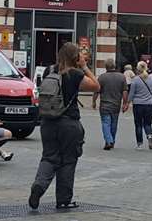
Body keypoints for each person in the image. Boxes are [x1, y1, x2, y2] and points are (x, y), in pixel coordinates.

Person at [29, 42, 99, 211]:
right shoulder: (75, 74)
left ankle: (39, 186)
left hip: (48, 122)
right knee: (68, 161)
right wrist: (84, 66)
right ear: (75, 57)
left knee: (49, 157)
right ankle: (63, 200)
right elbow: (96, 86)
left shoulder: (49, 71)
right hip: (69, 123)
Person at [96, 60, 128, 151]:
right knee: (114, 124)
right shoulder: (122, 77)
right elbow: (125, 91)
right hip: (116, 104)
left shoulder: (102, 77)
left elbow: (97, 90)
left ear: (106, 67)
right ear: (115, 66)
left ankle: (108, 141)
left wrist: (94, 101)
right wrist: (125, 103)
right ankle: (112, 141)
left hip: (104, 105)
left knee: (106, 123)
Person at [130, 61, 152, 149]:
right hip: (149, 104)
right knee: (148, 124)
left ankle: (140, 144)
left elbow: (131, 93)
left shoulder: (135, 80)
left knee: (138, 124)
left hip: (138, 104)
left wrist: (127, 103)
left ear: (138, 69)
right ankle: (149, 136)